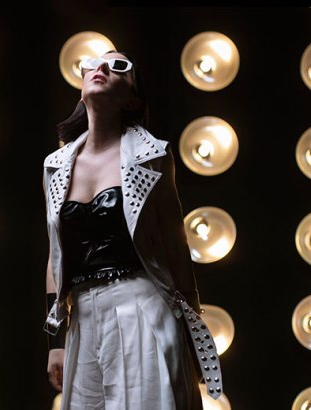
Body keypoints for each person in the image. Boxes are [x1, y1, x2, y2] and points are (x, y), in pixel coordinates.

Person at [42, 51, 221, 409]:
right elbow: (55, 256)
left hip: (141, 304)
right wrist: (55, 342)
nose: (102, 68)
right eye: (94, 63)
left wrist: (191, 327)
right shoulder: (55, 166)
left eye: (119, 66)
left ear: (132, 100)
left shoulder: (153, 157)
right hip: (83, 317)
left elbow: (175, 246)